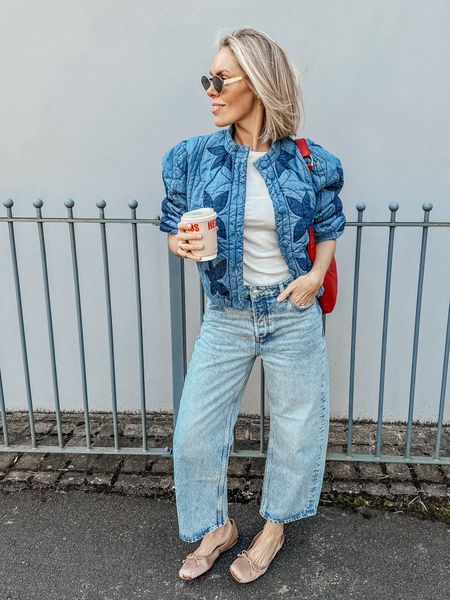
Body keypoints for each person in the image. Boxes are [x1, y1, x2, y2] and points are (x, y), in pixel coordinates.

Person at [159, 26, 346, 584]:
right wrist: (179, 242)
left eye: (221, 79)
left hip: (291, 313)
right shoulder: (191, 158)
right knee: (194, 430)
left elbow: (330, 226)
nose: (210, 90)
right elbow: (173, 225)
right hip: (228, 314)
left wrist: (313, 276)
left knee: (295, 428)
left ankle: (272, 531)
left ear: (259, 84)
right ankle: (217, 529)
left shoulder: (310, 163)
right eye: (207, 80)